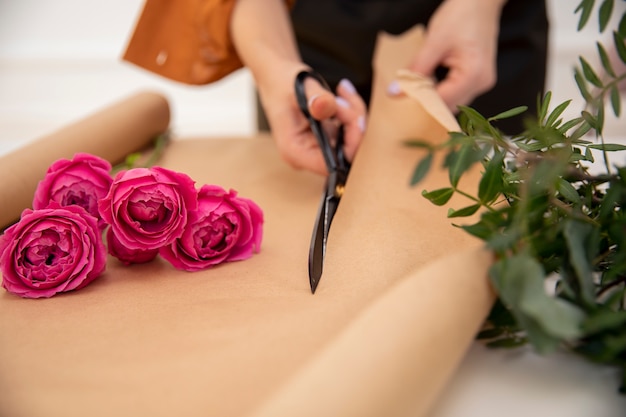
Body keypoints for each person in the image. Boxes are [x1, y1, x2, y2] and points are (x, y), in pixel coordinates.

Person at [123, 0, 548, 175]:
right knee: (306, 204)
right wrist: (276, 68)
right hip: (303, 28)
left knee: (488, 207)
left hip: (479, 24)